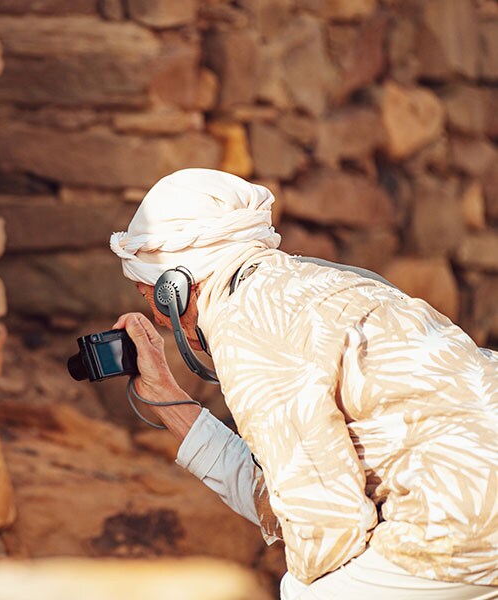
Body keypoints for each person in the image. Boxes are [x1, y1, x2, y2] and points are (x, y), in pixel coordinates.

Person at [109, 168, 498, 599]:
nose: (161, 320)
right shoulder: (322, 282)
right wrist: (168, 398)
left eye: (152, 300)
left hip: (466, 524)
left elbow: (326, 526)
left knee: (306, 588)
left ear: (175, 288)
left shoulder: (248, 323)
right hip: (476, 510)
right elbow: (282, 492)